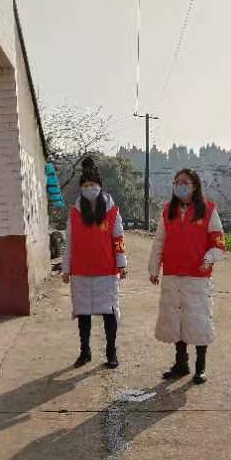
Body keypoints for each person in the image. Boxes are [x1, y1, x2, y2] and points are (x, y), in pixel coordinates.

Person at [148, 168, 226, 384]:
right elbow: (159, 241)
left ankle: (200, 367)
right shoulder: (168, 211)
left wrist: (208, 259)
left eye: (184, 182)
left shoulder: (208, 210)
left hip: (197, 276)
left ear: (194, 186)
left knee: (199, 320)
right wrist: (154, 268)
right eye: (176, 182)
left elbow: (219, 244)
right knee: (176, 320)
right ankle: (181, 364)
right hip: (172, 274)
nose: (179, 186)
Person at [62, 156, 127, 369]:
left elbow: (118, 239)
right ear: (81, 188)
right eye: (86, 185)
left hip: (106, 271)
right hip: (80, 271)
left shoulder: (111, 211)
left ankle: (111, 352)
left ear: (100, 187)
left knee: (109, 312)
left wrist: (122, 264)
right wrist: (66, 268)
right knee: (83, 313)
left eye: (93, 185)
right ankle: (85, 351)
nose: (89, 188)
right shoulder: (75, 213)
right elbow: (70, 243)